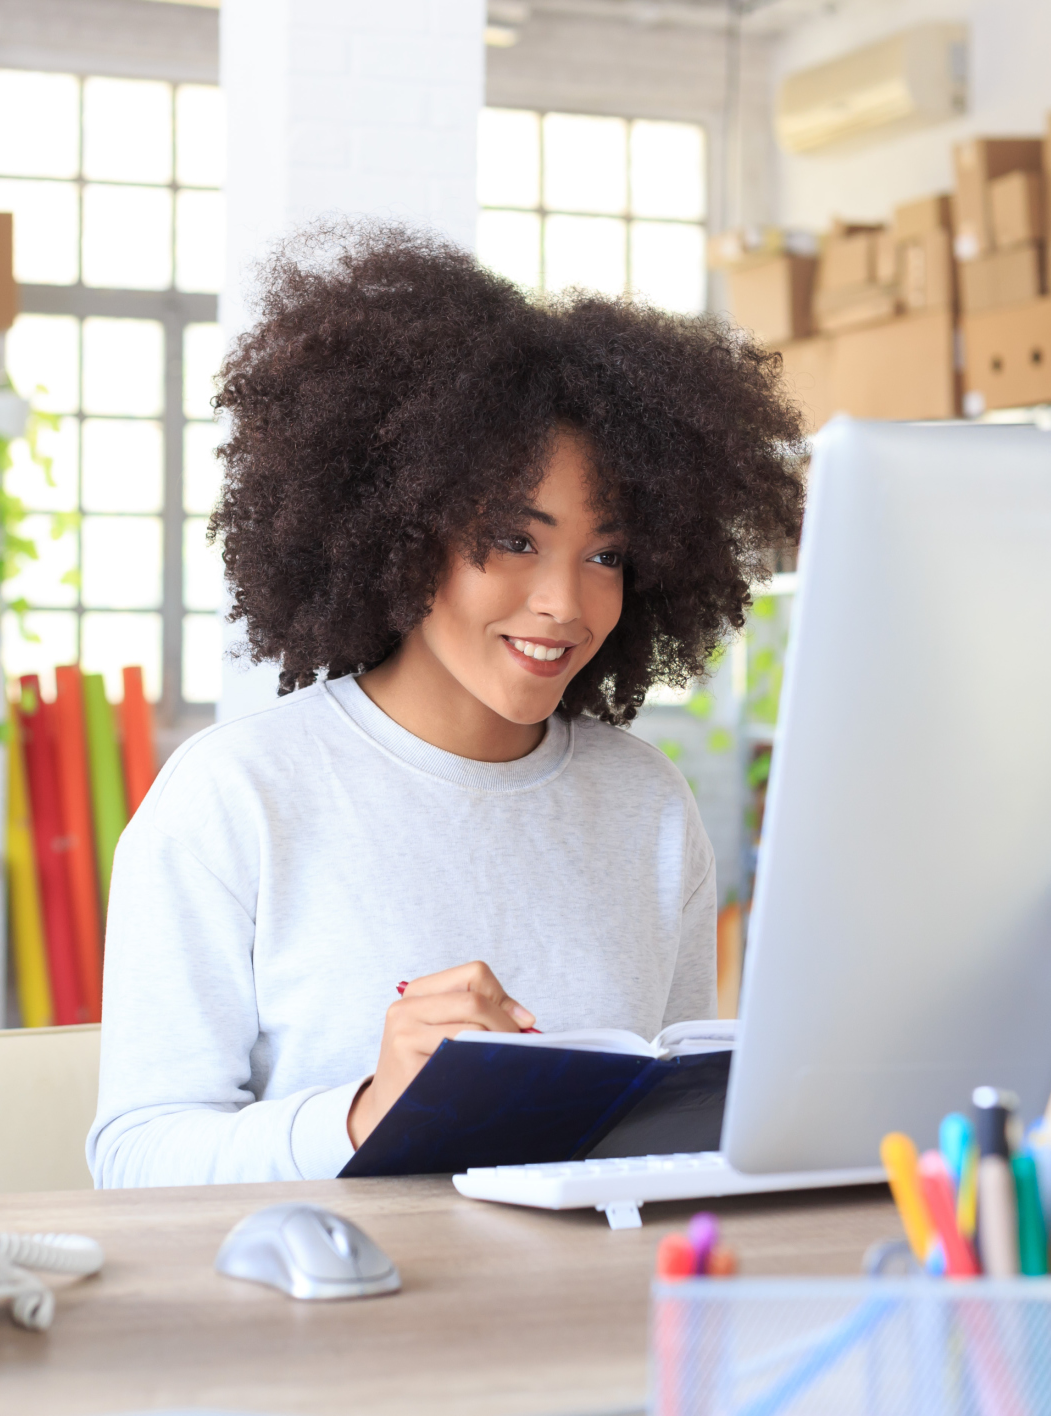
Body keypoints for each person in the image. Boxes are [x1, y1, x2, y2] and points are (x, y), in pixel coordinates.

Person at [88, 223, 807, 1186]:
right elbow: (132, 1158)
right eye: (515, 539)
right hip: (335, 1314)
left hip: (582, 1312)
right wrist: (364, 1112)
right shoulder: (236, 796)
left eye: (605, 555)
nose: (563, 601)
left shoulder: (645, 802)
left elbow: (667, 1124)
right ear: (401, 527)